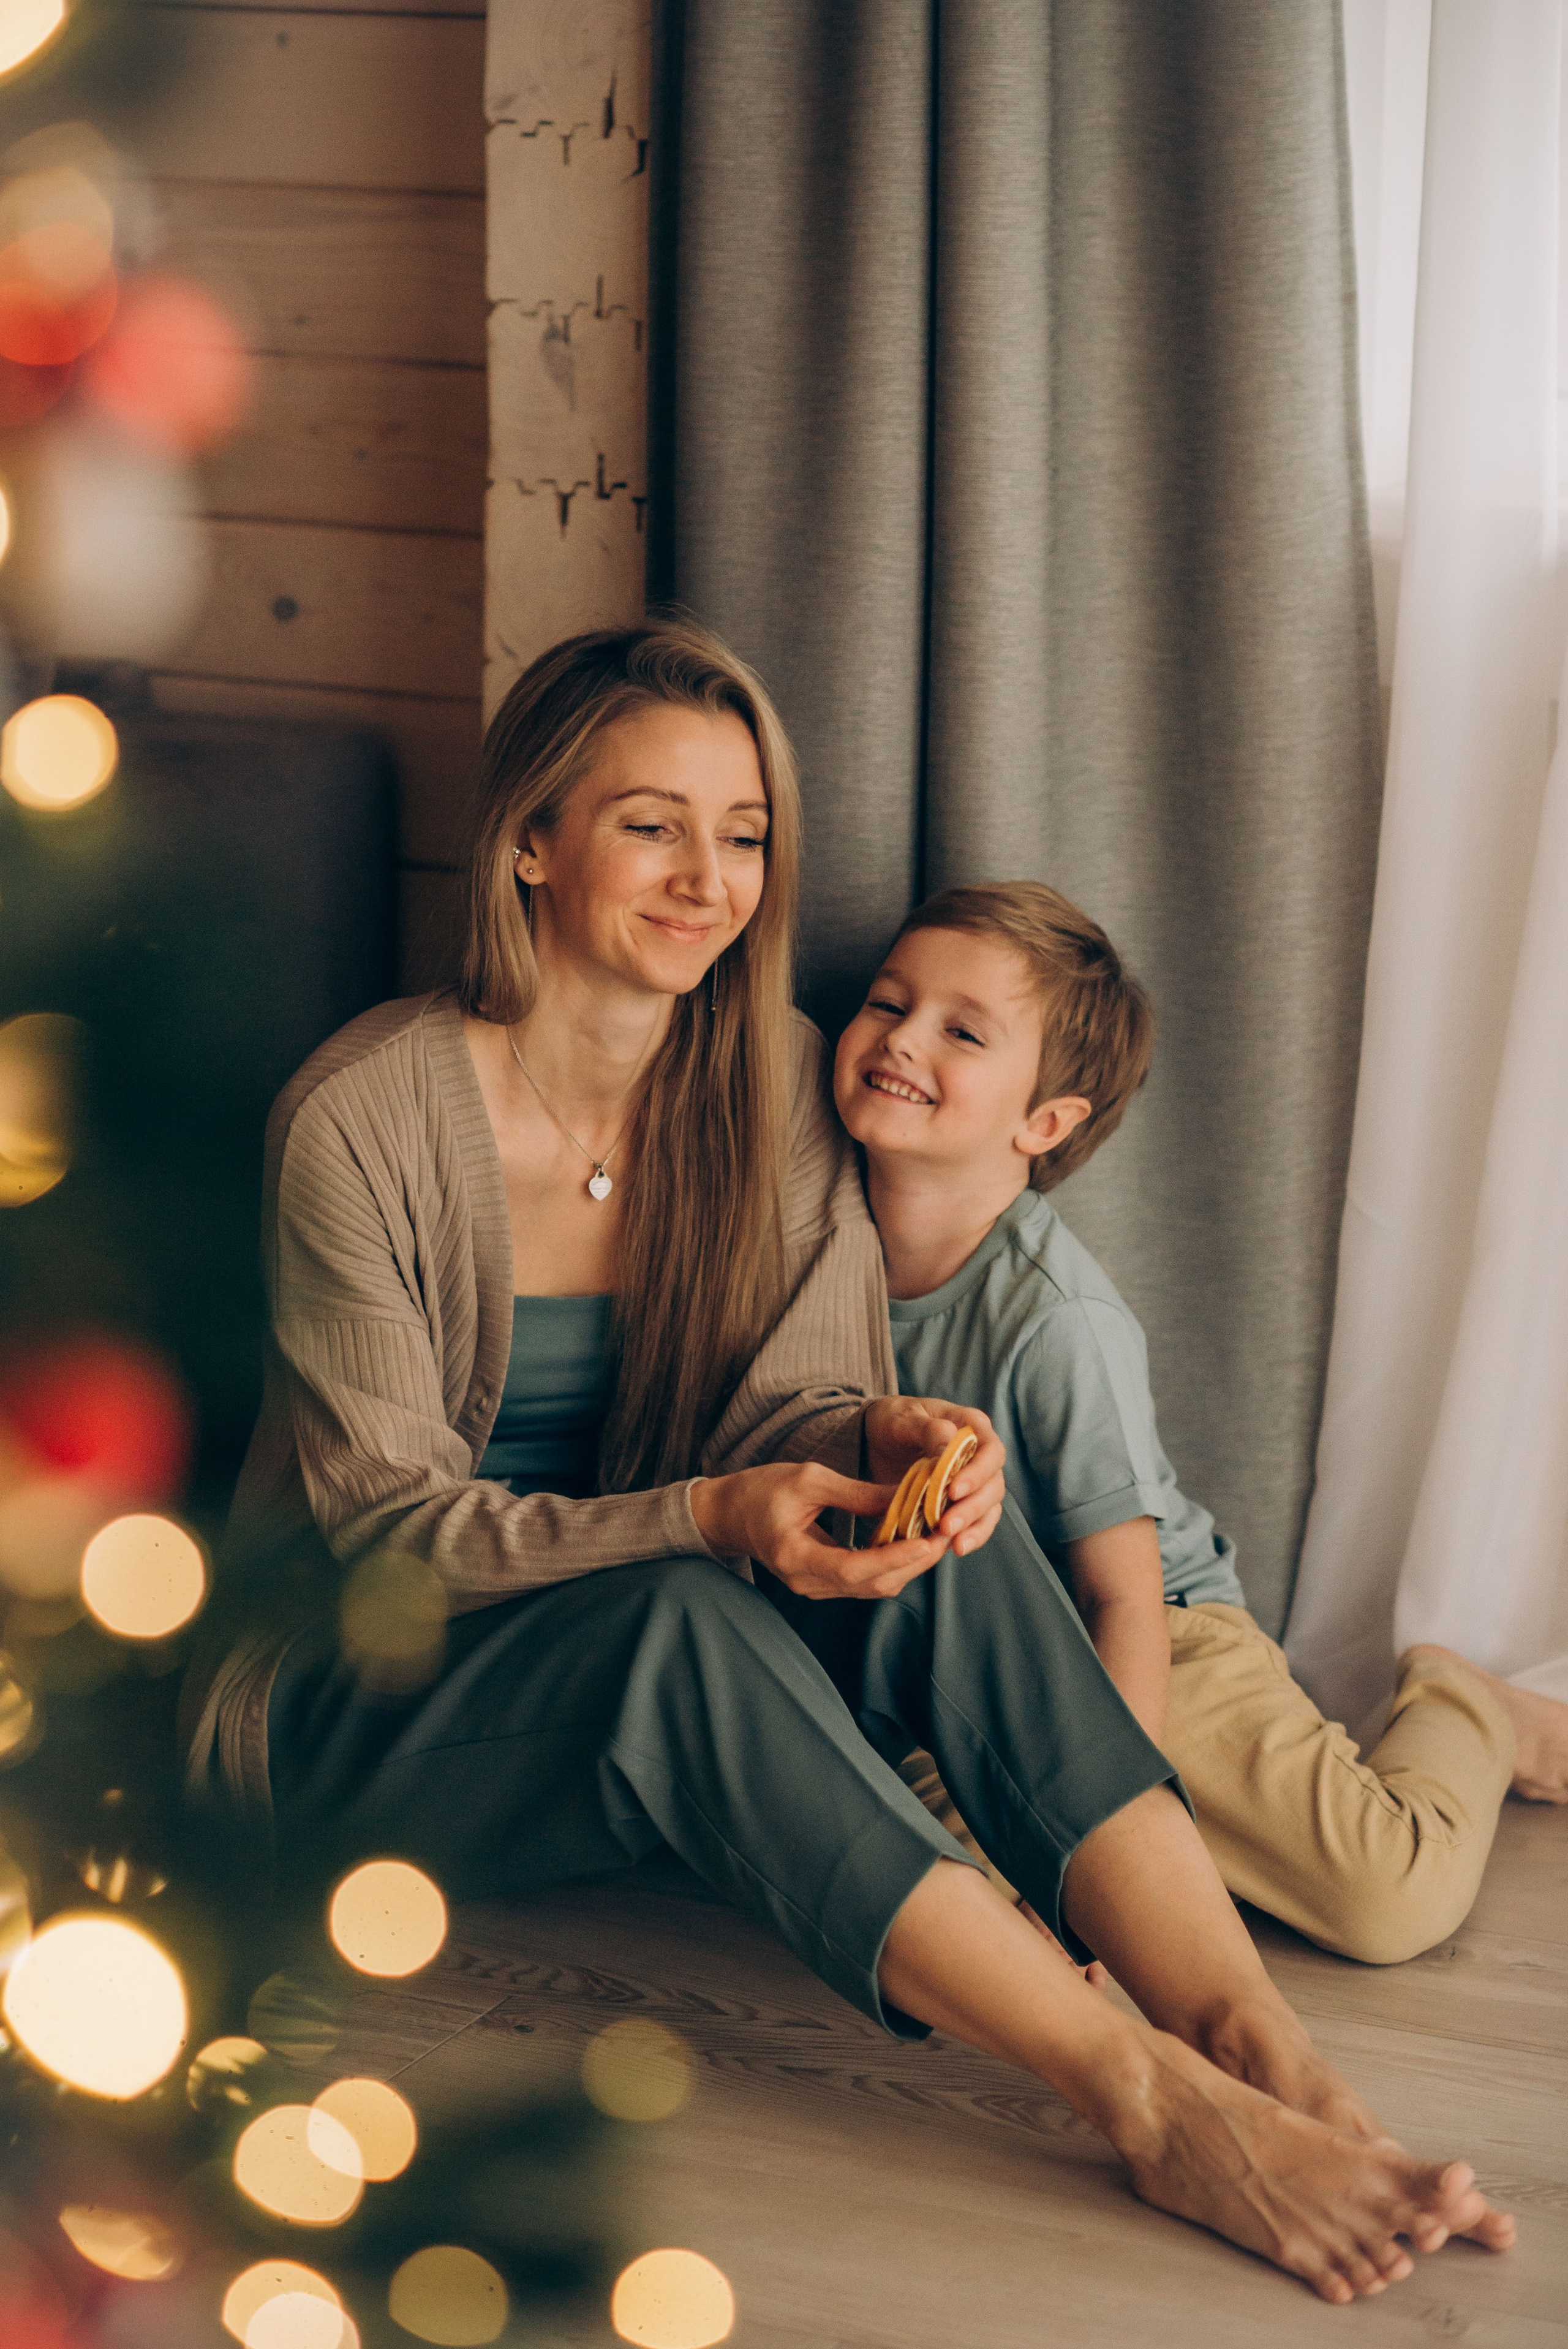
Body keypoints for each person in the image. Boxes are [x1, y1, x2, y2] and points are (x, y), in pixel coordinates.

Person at [184, 624, 1512, 2306]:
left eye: (741, 834)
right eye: (652, 825)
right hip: (352, 1707)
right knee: (679, 1611)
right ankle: (1149, 2099)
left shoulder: (764, 1085)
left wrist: (880, 1440)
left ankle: (1261, 2047)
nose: (709, 879)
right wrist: (707, 1514)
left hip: (620, 1693)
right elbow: (383, 1530)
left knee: (938, 1534)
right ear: (531, 839)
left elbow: (796, 1401)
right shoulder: (363, 1117)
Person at [831, 879, 1568, 1978]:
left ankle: (1469, 1702)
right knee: (940, 1917)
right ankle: (1199, 1840)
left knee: (1390, 1900)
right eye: (890, 1003)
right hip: (982, 1668)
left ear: (1045, 1122)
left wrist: (1092, 1851)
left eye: (962, 1031)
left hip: (1154, 1641)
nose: (902, 1038)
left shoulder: (1057, 1321)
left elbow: (1123, 1598)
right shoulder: (815, 1241)